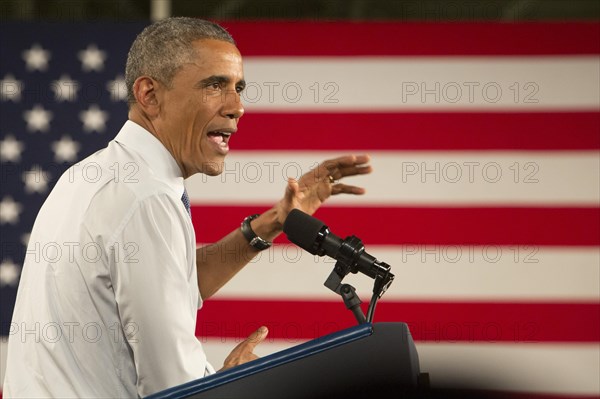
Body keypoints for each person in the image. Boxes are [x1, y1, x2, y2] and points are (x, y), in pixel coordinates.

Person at [3, 17, 372, 398]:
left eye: (238, 88)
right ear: (149, 94)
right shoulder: (145, 198)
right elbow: (174, 387)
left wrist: (274, 221)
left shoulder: (93, 175)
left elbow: (172, 283)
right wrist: (234, 384)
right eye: (214, 85)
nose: (237, 107)